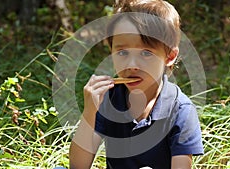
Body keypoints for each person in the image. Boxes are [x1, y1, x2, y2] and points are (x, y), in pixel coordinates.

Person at [69, 0, 204, 168]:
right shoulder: (109, 98)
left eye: (146, 53)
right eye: (122, 52)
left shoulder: (180, 110)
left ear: (169, 56)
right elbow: (77, 166)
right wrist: (90, 112)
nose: (132, 64)